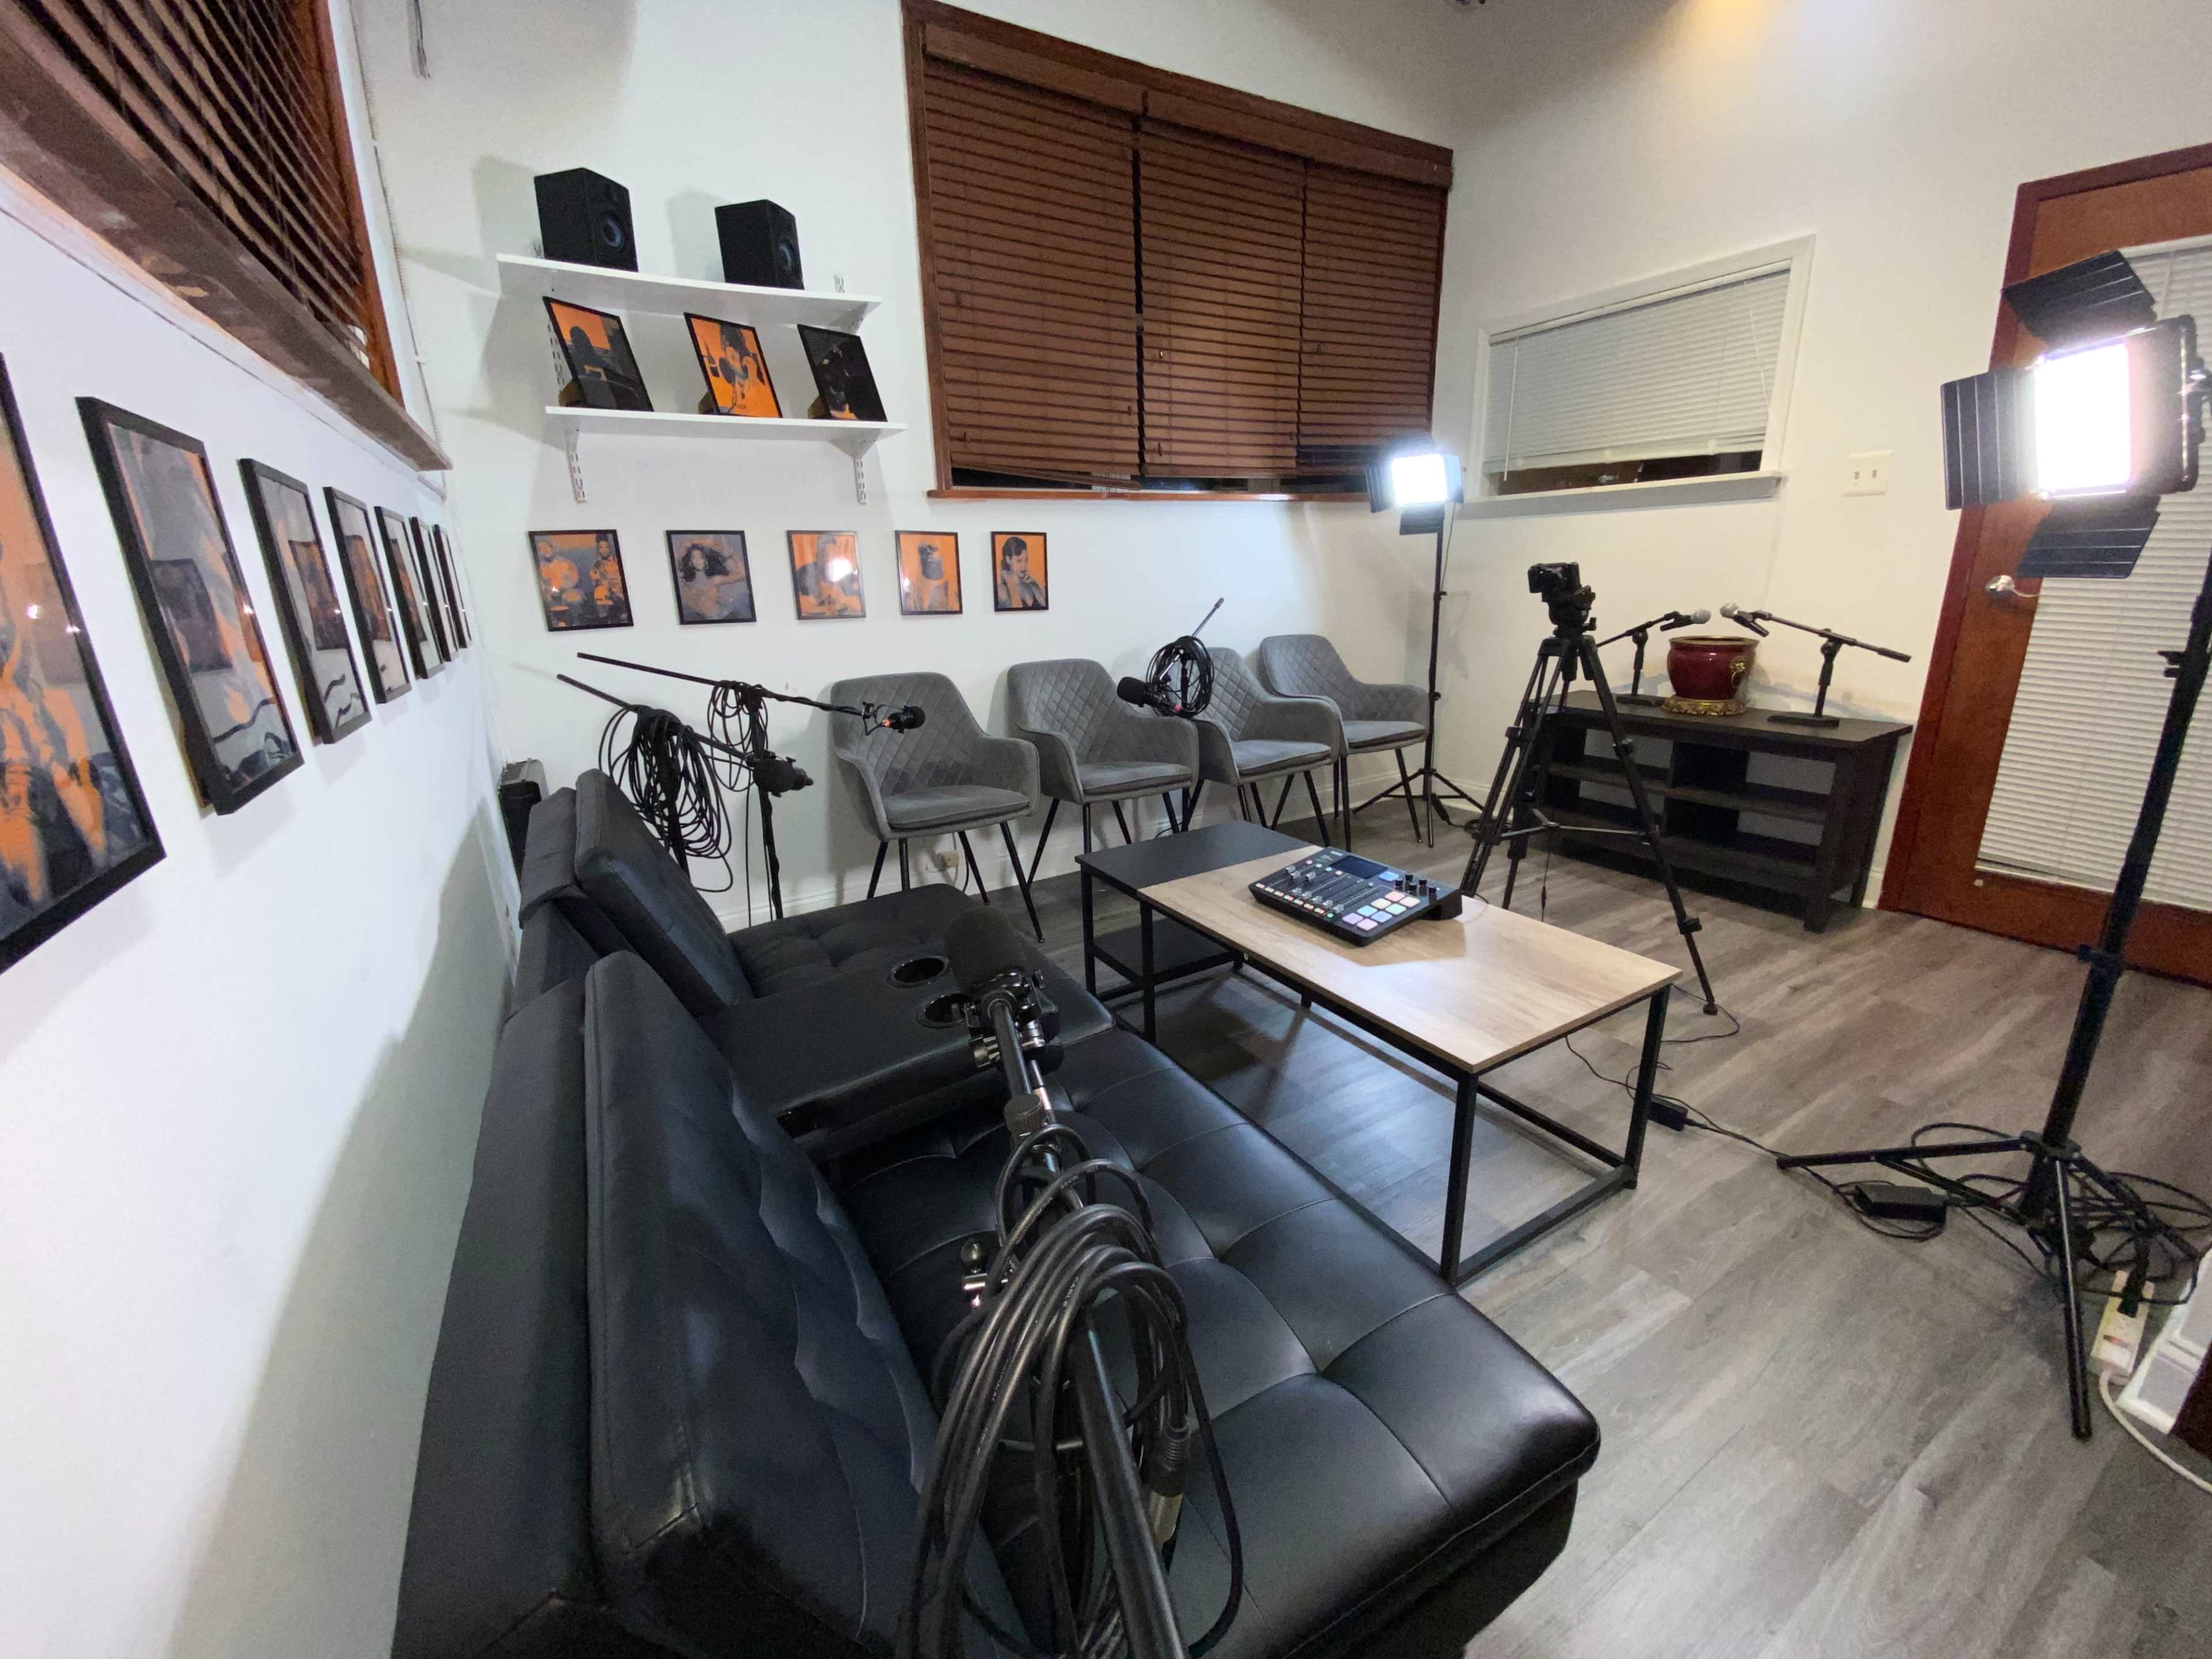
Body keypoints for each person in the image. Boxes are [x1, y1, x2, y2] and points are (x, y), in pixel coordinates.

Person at [995, 535, 1045, 610]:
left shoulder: (1031, 584)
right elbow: (1014, 613)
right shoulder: (1002, 591)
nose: (1024, 566)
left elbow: (1045, 606)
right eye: (1019, 561)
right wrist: (1011, 584)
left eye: (1026, 560)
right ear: (1008, 560)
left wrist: (1036, 583)